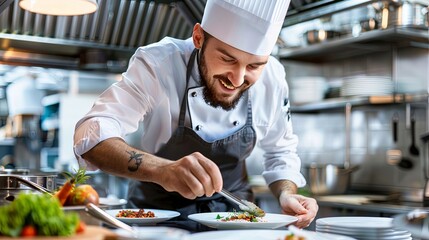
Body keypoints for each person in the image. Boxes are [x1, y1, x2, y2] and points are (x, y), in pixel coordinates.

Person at [73, 0, 318, 231]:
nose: (238, 79)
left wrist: (287, 193)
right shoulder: (159, 64)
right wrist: (162, 170)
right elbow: (92, 134)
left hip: (237, 223)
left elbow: (281, 152)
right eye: (227, 59)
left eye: (254, 66)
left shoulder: (273, 77)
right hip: (157, 225)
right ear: (198, 37)